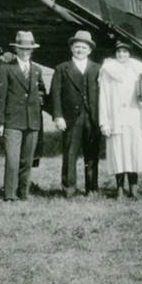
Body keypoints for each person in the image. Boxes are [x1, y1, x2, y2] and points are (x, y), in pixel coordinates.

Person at [0, 30, 48, 201]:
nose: (25, 52)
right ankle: (10, 194)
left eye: (28, 49)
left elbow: (42, 93)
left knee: (27, 159)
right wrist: (0, 122)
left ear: (32, 51)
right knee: (12, 159)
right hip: (12, 121)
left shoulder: (37, 70)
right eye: (22, 49)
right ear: (16, 50)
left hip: (32, 122)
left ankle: (23, 192)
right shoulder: (6, 69)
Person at [98, 40, 142, 198]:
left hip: (134, 117)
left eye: (125, 52)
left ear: (130, 53)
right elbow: (103, 97)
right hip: (115, 118)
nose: (122, 55)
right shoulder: (108, 71)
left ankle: (133, 188)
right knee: (118, 153)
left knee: (133, 152)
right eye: (119, 52)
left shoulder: (137, 70)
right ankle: (119, 188)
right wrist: (104, 121)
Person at [50, 30, 101, 197]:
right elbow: (55, 94)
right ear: (72, 48)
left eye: (84, 47)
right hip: (71, 118)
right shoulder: (61, 69)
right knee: (70, 153)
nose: (80, 50)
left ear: (90, 50)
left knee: (92, 153)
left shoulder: (98, 69)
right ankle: (69, 188)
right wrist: (58, 116)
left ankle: (92, 188)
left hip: (93, 117)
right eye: (77, 46)